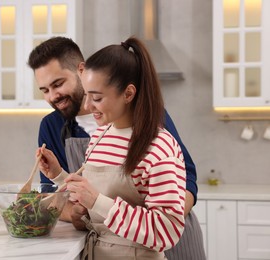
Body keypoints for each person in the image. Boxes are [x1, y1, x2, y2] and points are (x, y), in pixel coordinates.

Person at [28, 37, 206, 259]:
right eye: (44, 90)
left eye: (58, 84)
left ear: (81, 71)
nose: (53, 96)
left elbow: (170, 214)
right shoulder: (96, 136)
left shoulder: (154, 130)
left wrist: (169, 220)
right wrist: (60, 179)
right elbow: (85, 194)